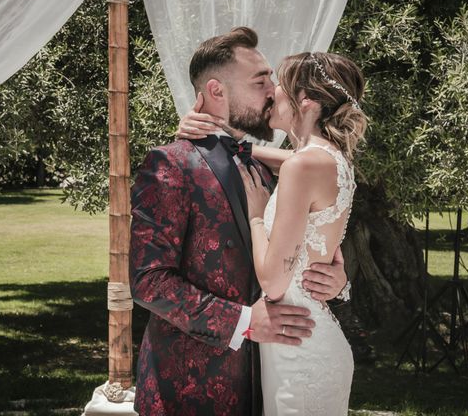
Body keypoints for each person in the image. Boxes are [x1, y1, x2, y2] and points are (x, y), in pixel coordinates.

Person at [129, 27, 350, 416]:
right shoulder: (171, 165)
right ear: (216, 91)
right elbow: (148, 281)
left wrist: (337, 275)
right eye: (260, 79)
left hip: (270, 382)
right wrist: (245, 322)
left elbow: (305, 233)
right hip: (190, 391)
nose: (272, 90)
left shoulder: (267, 167)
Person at [180, 50, 367, 415]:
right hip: (311, 339)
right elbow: (284, 161)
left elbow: (274, 283)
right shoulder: (330, 158)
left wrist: (255, 216)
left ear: (306, 101)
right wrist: (219, 140)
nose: (272, 92)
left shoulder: (303, 165)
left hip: (298, 353)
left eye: (281, 84)